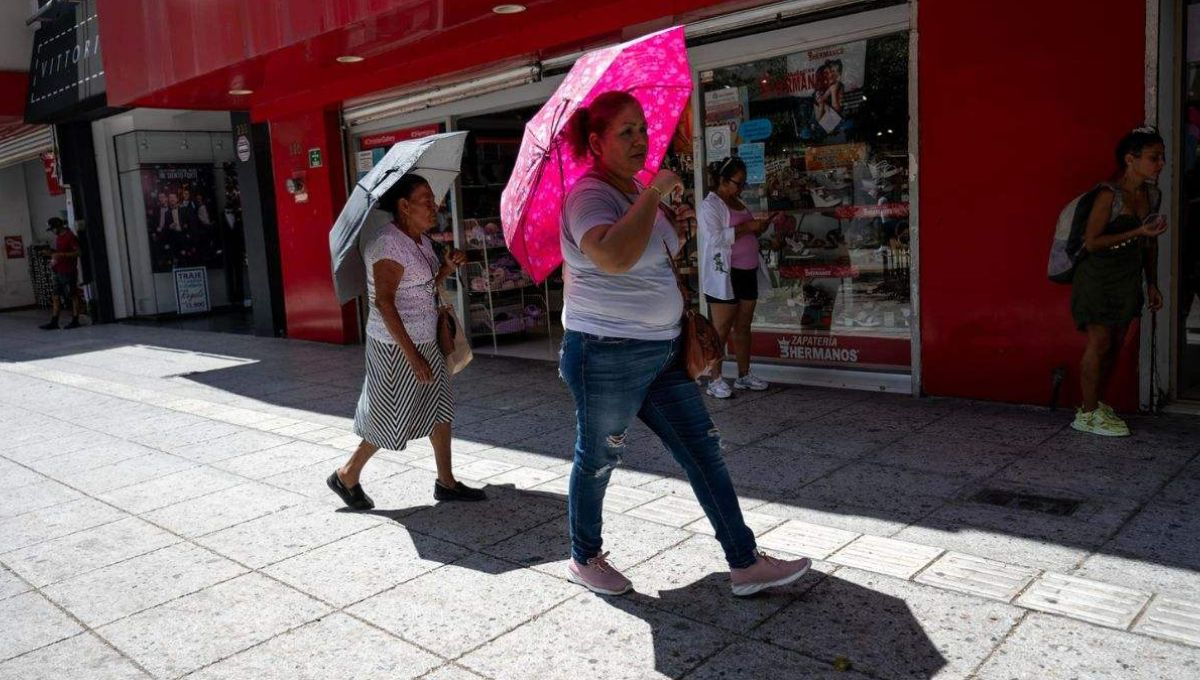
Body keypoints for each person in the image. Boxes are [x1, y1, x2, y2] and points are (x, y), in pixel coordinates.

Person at [558, 91, 810, 597]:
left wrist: (676, 223)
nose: (640, 140)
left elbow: (655, 253)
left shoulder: (631, 192)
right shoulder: (589, 195)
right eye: (626, 131)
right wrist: (652, 194)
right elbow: (610, 255)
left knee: (704, 451)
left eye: (642, 129)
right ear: (596, 141)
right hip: (606, 354)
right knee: (600, 457)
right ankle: (584, 557)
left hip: (661, 351)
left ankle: (744, 562)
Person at [327, 174, 486, 508]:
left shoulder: (420, 240)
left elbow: (422, 287)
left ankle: (446, 481)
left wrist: (444, 269)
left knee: (440, 407)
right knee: (390, 416)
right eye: (426, 199)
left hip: (426, 338)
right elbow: (384, 302)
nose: (435, 205)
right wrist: (412, 356)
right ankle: (346, 474)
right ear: (403, 206)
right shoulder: (387, 245)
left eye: (433, 199)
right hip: (396, 347)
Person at [1071, 126, 1167, 436]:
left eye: (1161, 158)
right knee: (1099, 341)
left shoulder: (1152, 194)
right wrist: (1137, 232)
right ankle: (1085, 414)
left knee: (1115, 345)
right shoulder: (1108, 195)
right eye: (1154, 158)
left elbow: (1150, 244)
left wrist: (1151, 282)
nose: (1160, 164)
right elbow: (1093, 241)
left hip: (1128, 278)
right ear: (1130, 159)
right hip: (1098, 278)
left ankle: (1096, 403)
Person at [698, 156, 775, 399]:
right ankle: (715, 378)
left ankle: (744, 374)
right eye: (737, 182)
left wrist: (759, 228)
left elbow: (743, 230)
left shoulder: (737, 201)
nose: (740, 187)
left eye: (743, 183)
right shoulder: (709, 205)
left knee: (743, 326)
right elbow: (715, 238)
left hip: (747, 271)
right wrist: (747, 228)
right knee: (720, 329)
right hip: (724, 274)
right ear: (722, 180)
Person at [40, 218, 83, 330]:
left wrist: (61, 254)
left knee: (73, 295)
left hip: (69, 271)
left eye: (52, 229)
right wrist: (51, 253)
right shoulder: (59, 238)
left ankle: (75, 320)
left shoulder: (70, 237)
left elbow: (78, 252)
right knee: (55, 296)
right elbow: (59, 253)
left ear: (58, 226)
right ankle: (54, 321)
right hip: (58, 270)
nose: (52, 231)